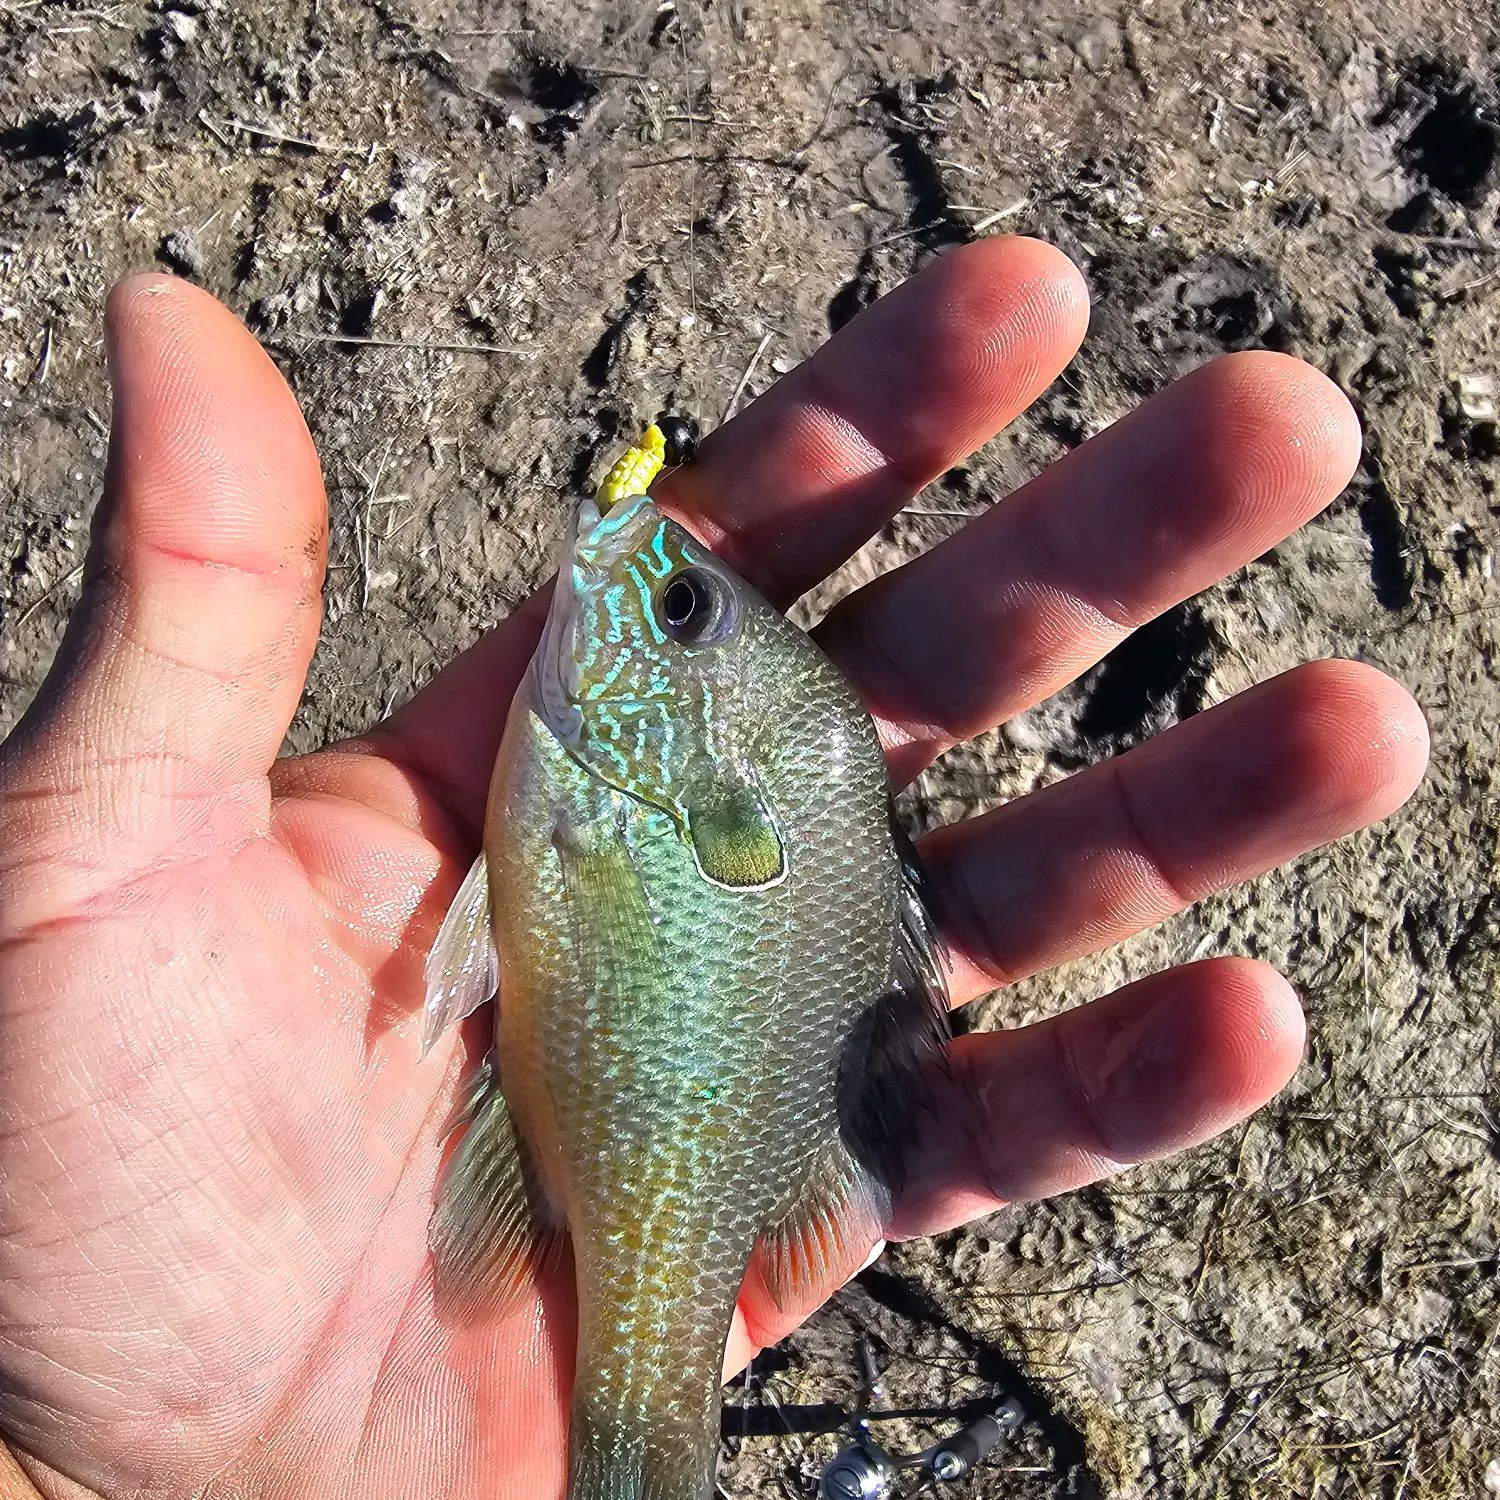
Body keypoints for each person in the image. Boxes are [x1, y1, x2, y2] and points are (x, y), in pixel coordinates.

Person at [0, 239, 1427, 1500]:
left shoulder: (599, 780)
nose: (645, 576)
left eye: (675, 609)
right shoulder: (614, 771)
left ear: (709, 763)